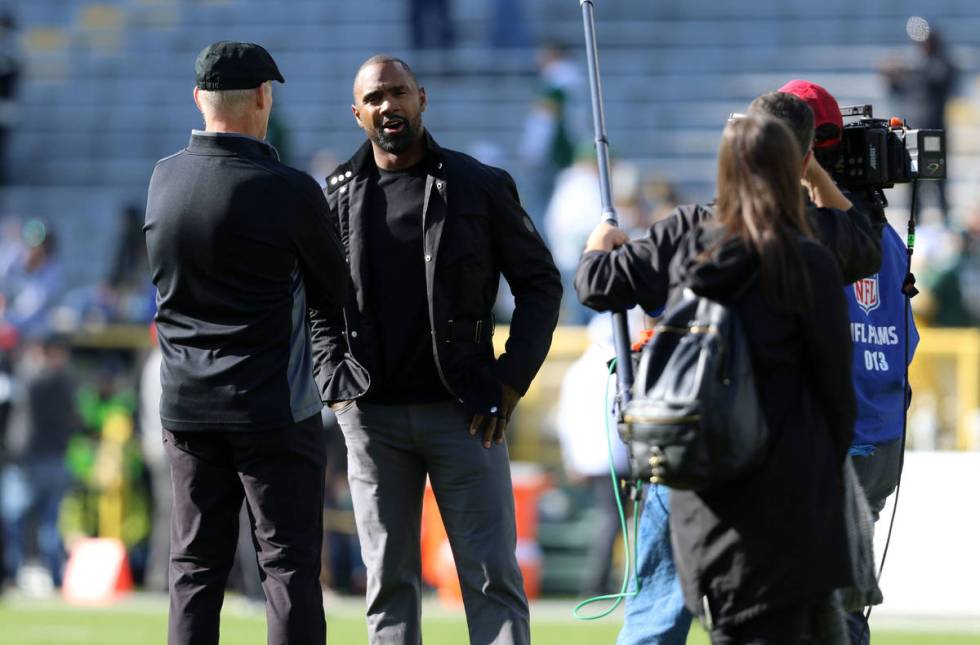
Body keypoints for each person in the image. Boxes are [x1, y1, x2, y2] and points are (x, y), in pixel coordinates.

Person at [577, 88, 881, 645]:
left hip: (694, 467)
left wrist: (599, 247)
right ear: (802, 157)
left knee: (654, 622)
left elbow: (595, 284)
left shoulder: (685, 233)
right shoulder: (813, 246)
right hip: (786, 480)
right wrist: (813, 174)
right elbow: (865, 245)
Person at [311, 55, 562, 645]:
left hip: (466, 412)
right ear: (357, 114)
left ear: (422, 99)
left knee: (491, 578)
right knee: (388, 584)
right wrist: (333, 382)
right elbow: (316, 301)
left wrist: (510, 379)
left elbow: (541, 284)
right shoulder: (336, 197)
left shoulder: (479, 185)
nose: (387, 107)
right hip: (372, 420)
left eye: (398, 93)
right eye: (374, 99)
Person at [143, 41, 346, 645]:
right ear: (263, 97)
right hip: (270, 406)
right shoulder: (287, 188)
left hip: (186, 403)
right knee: (286, 568)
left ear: (199, 98)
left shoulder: (164, 179)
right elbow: (335, 293)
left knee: (193, 570)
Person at [780, 78, 922, 645]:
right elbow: (906, 340)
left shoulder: (806, 233)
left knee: (811, 609)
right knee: (840, 605)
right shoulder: (883, 238)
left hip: (834, 442)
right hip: (882, 440)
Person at [882, 25, 956, 224]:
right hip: (912, 133)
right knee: (913, 181)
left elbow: (938, 77)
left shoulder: (942, 64)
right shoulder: (915, 68)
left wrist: (907, 69)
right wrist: (890, 76)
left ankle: (945, 222)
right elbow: (898, 90)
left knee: (938, 178)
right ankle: (915, 222)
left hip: (934, 134)